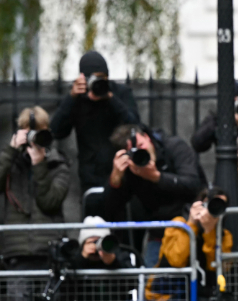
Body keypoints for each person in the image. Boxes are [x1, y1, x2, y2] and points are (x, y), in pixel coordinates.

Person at [50, 51, 139, 217]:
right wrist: (71, 98)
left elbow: (134, 123)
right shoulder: (78, 99)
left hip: (122, 172)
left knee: (123, 230)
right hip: (91, 177)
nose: (99, 83)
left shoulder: (119, 93)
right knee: (93, 230)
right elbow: (56, 131)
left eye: (102, 78)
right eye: (94, 78)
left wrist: (110, 98)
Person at [105, 124, 203, 267]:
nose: (141, 152)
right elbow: (110, 208)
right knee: (152, 282)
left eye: (141, 144)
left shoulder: (174, 146)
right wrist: (114, 180)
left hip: (191, 225)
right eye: (135, 151)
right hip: (159, 231)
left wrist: (157, 177)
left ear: (147, 137)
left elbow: (193, 184)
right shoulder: (131, 169)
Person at [0, 107, 71, 300]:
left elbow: (49, 202)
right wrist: (10, 151)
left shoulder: (58, 164)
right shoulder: (10, 163)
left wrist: (39, 164)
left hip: (48, 253)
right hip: (18, 251)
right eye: (27, 131)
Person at [147, 186, 232, 299]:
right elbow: (176, 261)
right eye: (212, 203)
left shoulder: (224, 235)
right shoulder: (178, 224)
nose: (214, 208)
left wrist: (209, 232)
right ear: (201, 203)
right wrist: (191, 224)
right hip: (168, 292)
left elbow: (216, 268)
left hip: (204, 293)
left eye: (220, 205)